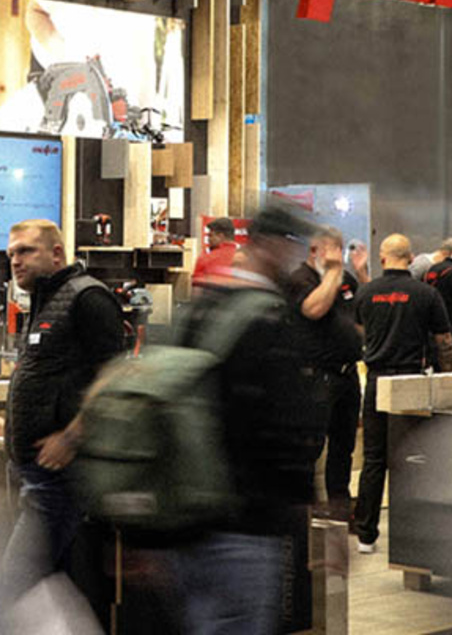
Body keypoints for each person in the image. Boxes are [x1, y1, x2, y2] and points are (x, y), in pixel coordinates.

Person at [166, 203, 324, 634]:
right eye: (292, 245)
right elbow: (287, 428)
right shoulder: (271, 318)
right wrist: (306, 509)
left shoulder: (199, 309)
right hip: (246, 522)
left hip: (186, 516)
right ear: (271, 246)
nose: (295, 257)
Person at [2, 219, 124, 596]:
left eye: (26, 251)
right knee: (49, 594)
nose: (15, 261)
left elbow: (115, 381)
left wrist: (71, 437)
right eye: (11, 254)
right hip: (31, 471)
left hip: (57, 478)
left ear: (56, 254)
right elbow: (52, 375)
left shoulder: (88, 298)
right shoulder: (44, 300)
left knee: (13, 586)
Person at [352, 234, 452, 555]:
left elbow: (360, 335)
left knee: (374, 459)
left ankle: (366, 536)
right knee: (411, 458)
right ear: (411, 259)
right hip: (411, 381)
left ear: (382, 259)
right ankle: (413, 534)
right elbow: (444, 342)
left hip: (377, 381)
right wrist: (447, 380)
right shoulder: (426, 294)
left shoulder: (365, 292)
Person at [288, 226, 363, 521]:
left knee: (343, 448)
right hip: (316, 376)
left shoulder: (346, 280)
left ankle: (338, 510)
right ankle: (304, 514)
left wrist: (359, 273)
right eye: (331, 249)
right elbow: (314, 309)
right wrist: (332, 272)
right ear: (314, 250)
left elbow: (358, 316)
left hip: (348, 375)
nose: (337, 256)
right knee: (311, 448)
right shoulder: (301, 279)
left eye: (339, 249)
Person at [192, 217, 238, 286]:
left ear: (220, 236)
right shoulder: (245, 259)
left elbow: (197, 287)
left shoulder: (206, 259)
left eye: (211, 235)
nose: (208, 240)